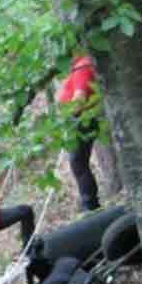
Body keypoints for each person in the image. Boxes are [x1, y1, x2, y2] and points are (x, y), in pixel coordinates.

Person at [57, 53, 101, 213]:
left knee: (78, 163)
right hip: (81, 120)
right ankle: (89, 203)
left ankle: (90, 204)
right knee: (79, 163)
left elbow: (79, 99)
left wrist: (68, 117)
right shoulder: (81, 65)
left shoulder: (82, 67)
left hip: (80, 121)